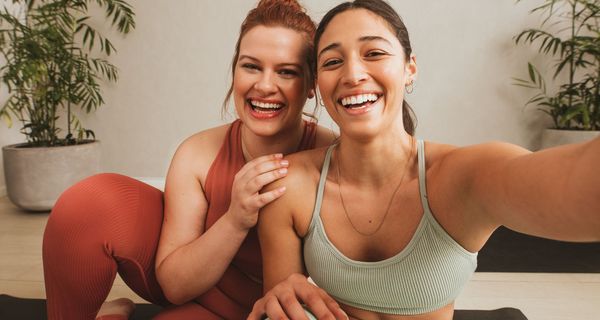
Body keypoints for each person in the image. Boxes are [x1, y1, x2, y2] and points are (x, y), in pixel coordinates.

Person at [250, 0, 600, 319]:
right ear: (319, 85)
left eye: (373, 53)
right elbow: (282, 303)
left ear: (410, 69)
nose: (353, 75)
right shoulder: (288, 183)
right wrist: (282, 301)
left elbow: (575, 184)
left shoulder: (462, 176)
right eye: (332, 61)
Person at [42, 1, 336, 319]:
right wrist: (236, 219)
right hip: (208, 301)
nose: (264, 86)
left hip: (290, 310)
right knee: (85, 204)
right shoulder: (197, 154)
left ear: (311, 85)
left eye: (286, 72)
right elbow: (175, 287)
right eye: (251, 66)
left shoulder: (334, 153)